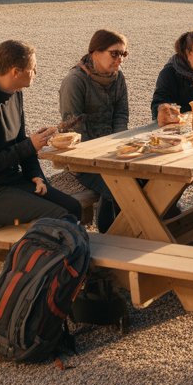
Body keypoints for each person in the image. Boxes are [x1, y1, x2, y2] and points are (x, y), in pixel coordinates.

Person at [0, 39, 82, 225]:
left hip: (12, 182)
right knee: (59, 218)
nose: (36, 72)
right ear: (16, 72)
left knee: (73, 208)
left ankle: (70, 250)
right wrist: (29, 145)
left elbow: (22, 141)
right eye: (34, 68)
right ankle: (49, 253)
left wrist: (36, 176)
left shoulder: (14, 92)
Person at [59, 29, 130, 233]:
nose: (120, 60)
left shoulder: (118, 77)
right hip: (82, 158)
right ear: (95, 53)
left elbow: (121, 114)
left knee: (144, 178)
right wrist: (104, 156)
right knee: (120, 186)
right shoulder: (75, 81)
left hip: (113, 150)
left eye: (123, 54)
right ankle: (112, 233)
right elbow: (74, 129)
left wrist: (117, 145)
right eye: (114, 53)